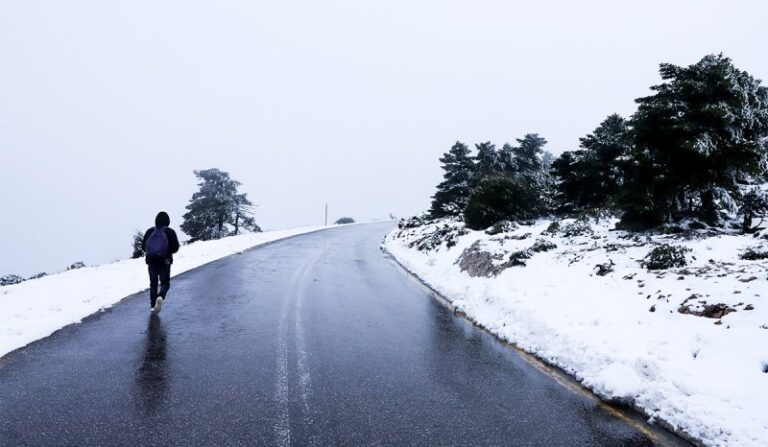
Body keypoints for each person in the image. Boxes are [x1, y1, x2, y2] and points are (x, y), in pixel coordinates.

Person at [141, 211, 180, 313]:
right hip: (165, 261)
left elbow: (143, 247)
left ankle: (153, 306)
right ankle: (161, 296)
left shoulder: (150, 231)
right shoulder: (170, 231)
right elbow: (175, 248)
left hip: (151, 261)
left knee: (153, 284)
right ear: (167, 221)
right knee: (165, 283)